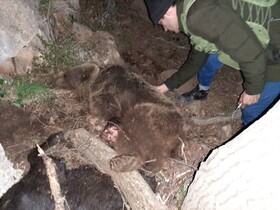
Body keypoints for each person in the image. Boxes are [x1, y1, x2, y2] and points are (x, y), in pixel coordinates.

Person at [144, 0, 280, 126]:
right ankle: (202, 91)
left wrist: (252, 90)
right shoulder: (190, 9)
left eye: (161, 23)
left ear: (167, 12)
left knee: (252, 111)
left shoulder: (199, 16)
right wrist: (165, 87)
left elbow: (253, 55)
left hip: (275, 51)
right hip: (255, 44)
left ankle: (249, 134)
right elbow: (196, 60)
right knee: (210, 58)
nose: (165, 29)